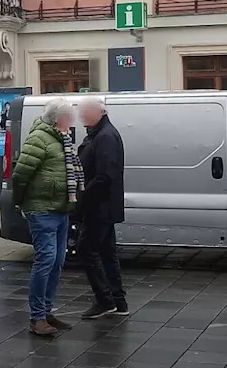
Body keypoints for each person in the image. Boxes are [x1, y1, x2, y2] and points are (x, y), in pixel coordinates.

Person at [10, 97, 83, 336]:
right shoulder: (39, 139)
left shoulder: (63, 139)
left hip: (61, 208)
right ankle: (37, 317)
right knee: (45, 261)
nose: (73, 121)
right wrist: (21, 201)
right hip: (41, 209)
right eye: (69, 116)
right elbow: (20, 174)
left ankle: (46, 310)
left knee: (56, 262)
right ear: (59, 119)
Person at [75, 98, 128, 319]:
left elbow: (104, 176)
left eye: (84, 113)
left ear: (98, 113)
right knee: (107, 253)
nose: (80, 118)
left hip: (100, 207)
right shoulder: (100, 133)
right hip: (103, 206)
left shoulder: (105, 137)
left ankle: (105, 300)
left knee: (86, 249)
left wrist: (82, 197)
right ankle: (118, 301)